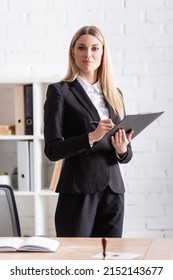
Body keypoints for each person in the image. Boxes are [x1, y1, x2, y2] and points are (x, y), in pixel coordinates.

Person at [44, 25, 133, 237]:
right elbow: (53, 150)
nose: (88, 54)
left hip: (113, 190)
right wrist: (91, 137)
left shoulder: (114, 94)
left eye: (95, 48)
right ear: (73, 52)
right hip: (77, 191)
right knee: (76, 259)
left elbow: (126, 155)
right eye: (82, 48)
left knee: (109, 258)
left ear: (103, 53)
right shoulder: (60, 91)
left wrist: (122, 149)